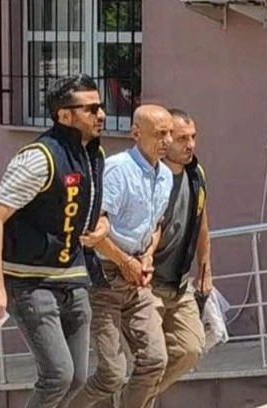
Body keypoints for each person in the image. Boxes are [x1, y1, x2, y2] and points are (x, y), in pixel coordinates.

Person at [0, 74, 109, 408]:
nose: (101, 115)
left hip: (73, 277)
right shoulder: (39, 157)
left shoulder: (93, 155)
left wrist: (102, 226)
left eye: (101, 106)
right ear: (64, 115)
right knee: (58, 375)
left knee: (77, 377)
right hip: (30, 280)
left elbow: (93, 207)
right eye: (91, 108)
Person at [69, 104, 174, 408]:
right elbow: (93, 231)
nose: (167, 141)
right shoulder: (118, 170)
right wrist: (125, 261)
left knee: (155, 359)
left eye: (169, 133)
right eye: (160, 134)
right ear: (136, 133)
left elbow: (156, 224)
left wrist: (148, 256)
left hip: (137, 279)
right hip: (105, 278)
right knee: (112, 374)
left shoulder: (166, 176)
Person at [151, 108, 212, 394]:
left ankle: (132, 399)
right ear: (165, 140)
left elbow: (202, 222)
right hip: (146, 285)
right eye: (182, 139)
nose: (190, 145)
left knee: (191, 348)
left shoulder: (196, 174)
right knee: (150, 359)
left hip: (180, 283)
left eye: (193, 137)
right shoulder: (150, 176)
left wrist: (205, 269)